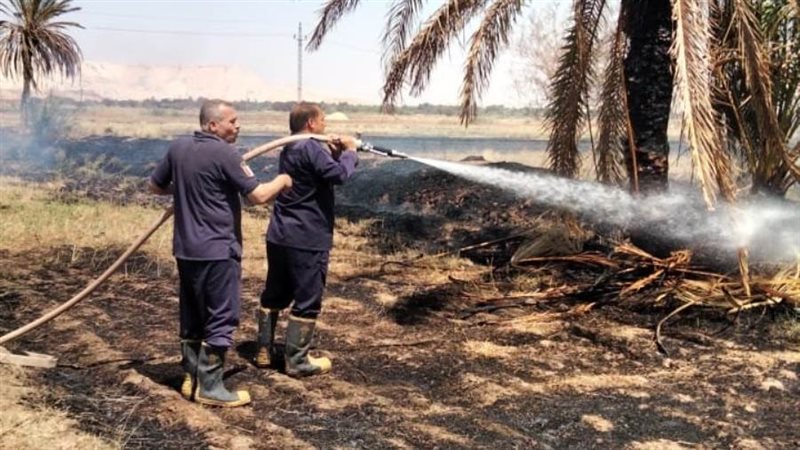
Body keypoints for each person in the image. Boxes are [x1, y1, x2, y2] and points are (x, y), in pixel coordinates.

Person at [149, 99, 292, 407]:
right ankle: (210, 387)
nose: (237, 126)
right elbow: (258, 196)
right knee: (221, 316)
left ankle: (191, 377)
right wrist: (282, 180)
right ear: (212, 125)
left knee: (192, 315)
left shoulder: (178, 147)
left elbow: (156, 187)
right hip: (218, 251)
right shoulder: (226, 153)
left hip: (186, 250)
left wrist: (190, 188)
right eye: (232, 121)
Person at [254, 102, 358, 378]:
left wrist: (334, 154)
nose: (325, 125)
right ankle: (297, 361)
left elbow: (316, 176)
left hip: (280, 234)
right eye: (322, 120)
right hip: (307, 237)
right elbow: (339, 176)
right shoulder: (310, 146)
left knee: (275, 292)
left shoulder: (292, 147)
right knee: (308, 297)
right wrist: (350, 152)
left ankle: (264, 350)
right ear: (311, 122)